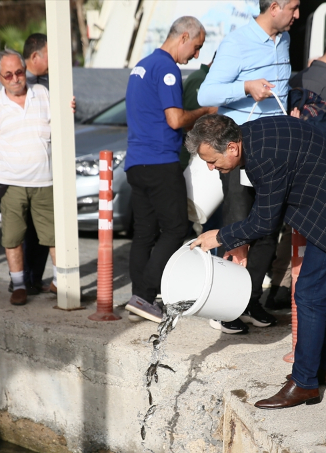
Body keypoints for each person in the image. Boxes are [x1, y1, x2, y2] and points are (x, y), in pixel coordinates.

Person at [187, 114, 326, 408]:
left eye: (212, 161)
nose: (212, 169)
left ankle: (304, 383)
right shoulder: (252, 135)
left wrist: (222, 236)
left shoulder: (263, 156)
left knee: (309, 295)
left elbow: (265, 221)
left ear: (232, 148)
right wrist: (239, 241)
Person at [197, 0, 299, 334]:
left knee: (268, 229)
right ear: (275, 6)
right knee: (238, 230)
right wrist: (246, 86)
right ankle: (225, 308)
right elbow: (205, 93)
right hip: (239, 153)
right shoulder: (237, 43)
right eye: (294, 7)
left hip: (275, 154)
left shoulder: (283, 39)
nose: (298, 15)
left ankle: (250, 300)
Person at [123, 16, 215, 323]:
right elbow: (175, 120)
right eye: (197, 47)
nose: (196, 55)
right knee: (176, 228)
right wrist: (207, 112)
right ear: (184, 36)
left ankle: (140, 299)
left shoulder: (142, 66)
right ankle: (145, 295)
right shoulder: (166, 68)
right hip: (160, 162)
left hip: (136, 162)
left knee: (145, 233)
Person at [0, 49, 58, 306]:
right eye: (8, 74)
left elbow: (62, 127)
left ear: (26, 71)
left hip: (45, 181)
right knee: (12, 237)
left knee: (53, 236)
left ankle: (61, 282)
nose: (15, 79)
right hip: (10, 183)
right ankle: (19, 285)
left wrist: (69, 108)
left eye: (19, 72)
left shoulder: (43, 95)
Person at [16, 32, 54, 296]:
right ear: (35, 56)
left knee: (42, 227)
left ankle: (34, 279)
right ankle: (21, 279)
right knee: (21, 227)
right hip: (21, 169)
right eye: (50, 54)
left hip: (47, 170)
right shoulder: (15, 85)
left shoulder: (52, 84)